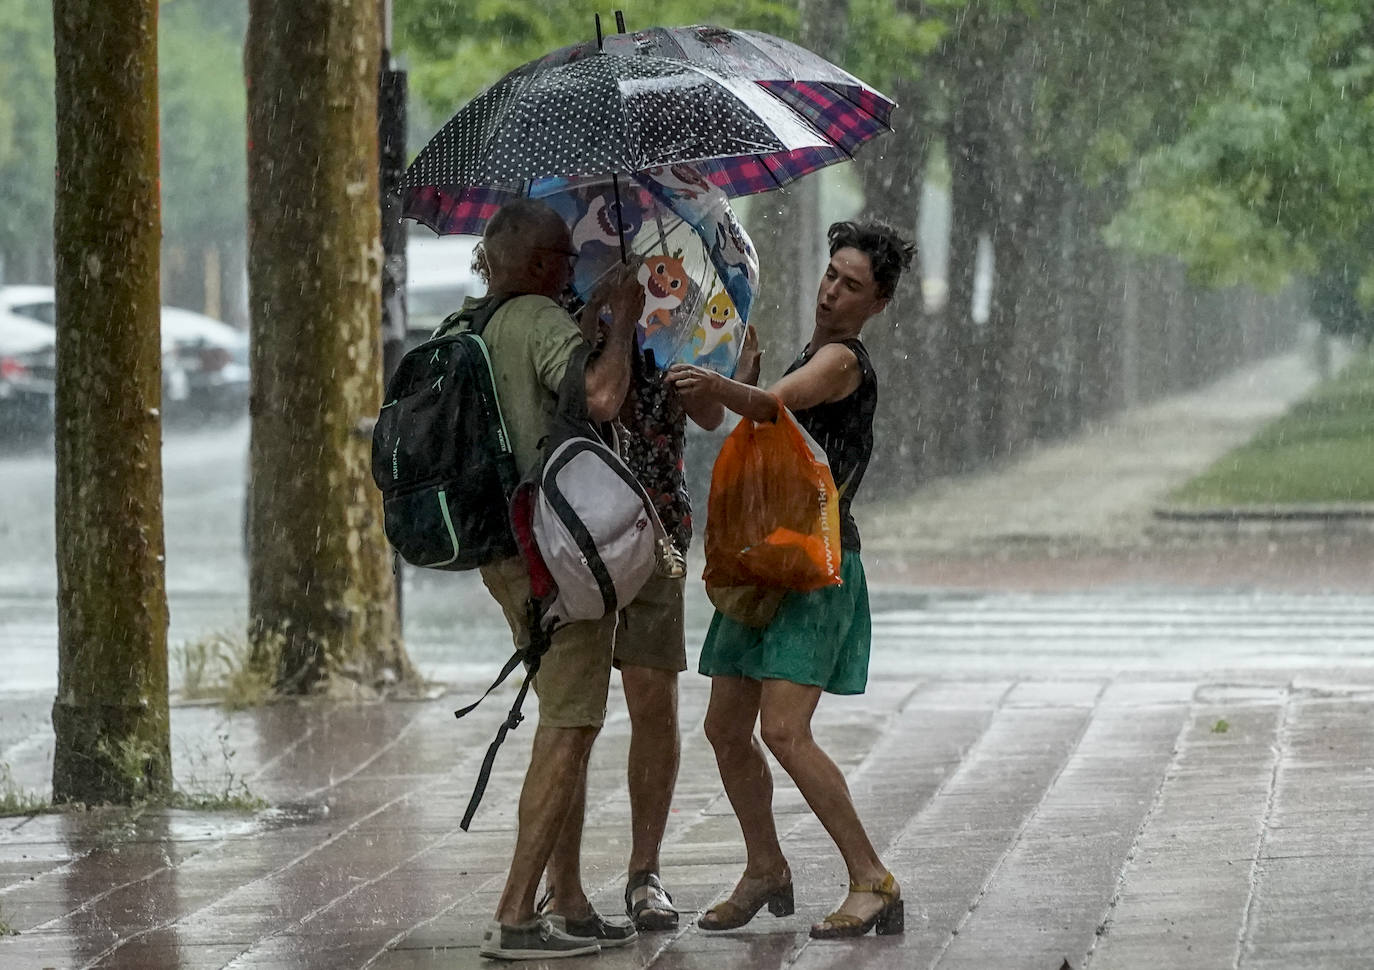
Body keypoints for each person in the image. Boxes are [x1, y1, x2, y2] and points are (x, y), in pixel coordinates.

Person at [667, 219, 915, 940]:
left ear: (878, 303)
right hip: (763, 564)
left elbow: (777, 406)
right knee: (723, 726)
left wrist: (733, 385)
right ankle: (765, 866)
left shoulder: (843, 361)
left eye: (852, 285)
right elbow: (757, 412)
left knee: (783, 729)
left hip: (818, 568)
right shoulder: (808, 354)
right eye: (831, 274)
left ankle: (872, 878)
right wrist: (739, 373)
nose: (832, 291)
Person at [468, 199, 646, 961]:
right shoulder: (539, 319)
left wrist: (598, 314)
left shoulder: (475, 325)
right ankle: (516, 912)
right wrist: (628, 322)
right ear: (541, 267)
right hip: (556, 555)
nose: (571, 271)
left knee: (563, 720)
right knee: (569, 726)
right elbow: (601, 397)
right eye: (566, 262)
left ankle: (568, 899)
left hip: (502, 553)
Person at [608, 344, 726, 931]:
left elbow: (709, 416)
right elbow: (597, 398)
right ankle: (561, 883)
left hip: (657, 526)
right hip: (566, 528)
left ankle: (644, 872)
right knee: (569, 714)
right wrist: (613, 320)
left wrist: (723, 377)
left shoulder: (678, 312)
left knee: (653, 703)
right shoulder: (559, 296)